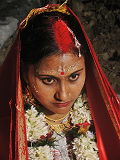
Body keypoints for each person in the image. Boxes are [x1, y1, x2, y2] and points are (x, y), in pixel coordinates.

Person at [0, 1, 120, 159]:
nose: (63, 95)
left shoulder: (110, 116)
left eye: (74, 76)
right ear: (24, 72)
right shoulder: (6, 129)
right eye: (48, 80)